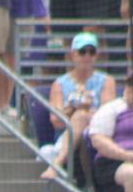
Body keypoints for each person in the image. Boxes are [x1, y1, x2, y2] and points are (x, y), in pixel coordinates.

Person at [41, 31, 116, 180]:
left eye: (91, 52)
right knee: (80, 116)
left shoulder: (107, 81)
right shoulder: (60, 84)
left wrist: (86, 110)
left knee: (83, 117)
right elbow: (56, 121)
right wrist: (74, 107)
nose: (87, 56)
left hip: (96, 132)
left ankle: (57, 164)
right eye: (82, 52)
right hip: (65, 135)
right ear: (73, 54)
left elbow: (109, 114)